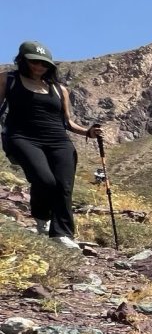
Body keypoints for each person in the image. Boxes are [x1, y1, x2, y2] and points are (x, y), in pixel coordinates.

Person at [0, 41, 101, 249]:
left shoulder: (59, 89)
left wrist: (88, 132)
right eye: (33, 62)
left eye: (44, 64)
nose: (38, 67)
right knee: (44, 180)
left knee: (64, 186)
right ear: (23, 60)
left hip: (59, 141)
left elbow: (67, 122)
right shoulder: (8, 80)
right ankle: (41, 217)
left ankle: (61, 234)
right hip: (23, 137)